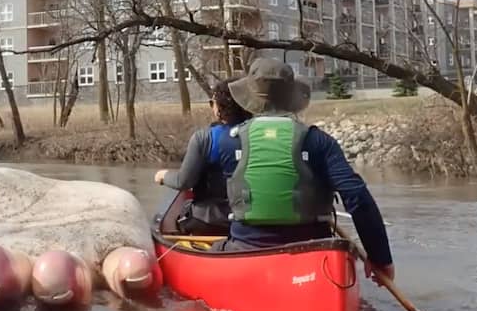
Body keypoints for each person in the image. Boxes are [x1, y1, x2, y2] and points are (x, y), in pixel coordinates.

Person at [167, 58, 395, 282]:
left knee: (213, 248)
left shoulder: (224, 141)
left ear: (250, 99)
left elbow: (195, 183)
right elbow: (357, 197)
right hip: (313, 250)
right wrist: (380, 258)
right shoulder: (319, 141)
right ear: (291, 97)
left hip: (246, 247)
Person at [152, 80, 252, 236]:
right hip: (253, 218)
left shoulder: (205, 138)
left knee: (178, 215)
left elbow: (184, 182)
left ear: (219, 107)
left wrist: (163, 176)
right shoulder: (263, 134)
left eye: (212, 102)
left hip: (211, 220)